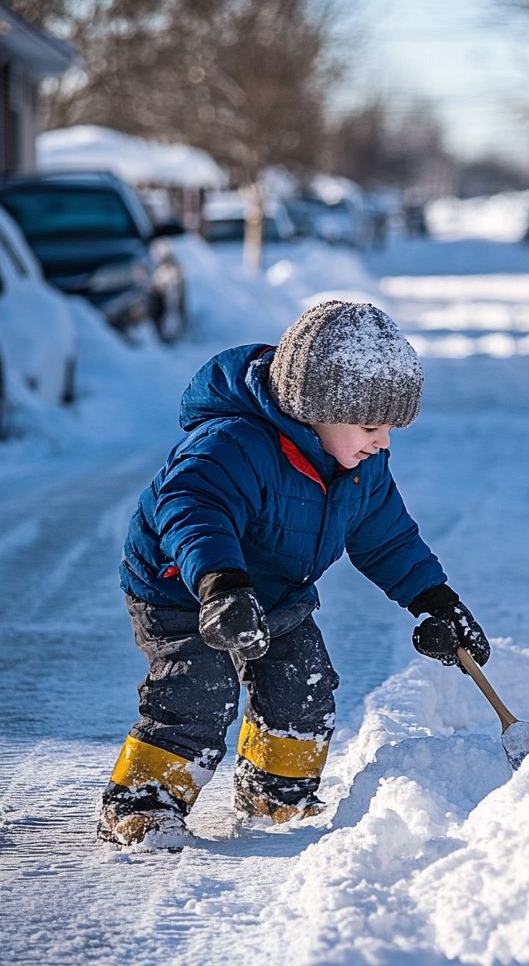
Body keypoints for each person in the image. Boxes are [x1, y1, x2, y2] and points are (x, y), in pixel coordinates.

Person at [98, 300, 490, 849]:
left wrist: (435, 600)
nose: (383, 442)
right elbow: (191, 510)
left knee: (304, 684)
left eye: (391, 429)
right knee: (198, 689)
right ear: (314, 409)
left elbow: (387, 536)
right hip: (184, 588)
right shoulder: (234, 443)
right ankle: (144, 801)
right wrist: (220, 586)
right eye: (371, 426)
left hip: (277, 592)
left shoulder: (361, 465)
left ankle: (275, 793)